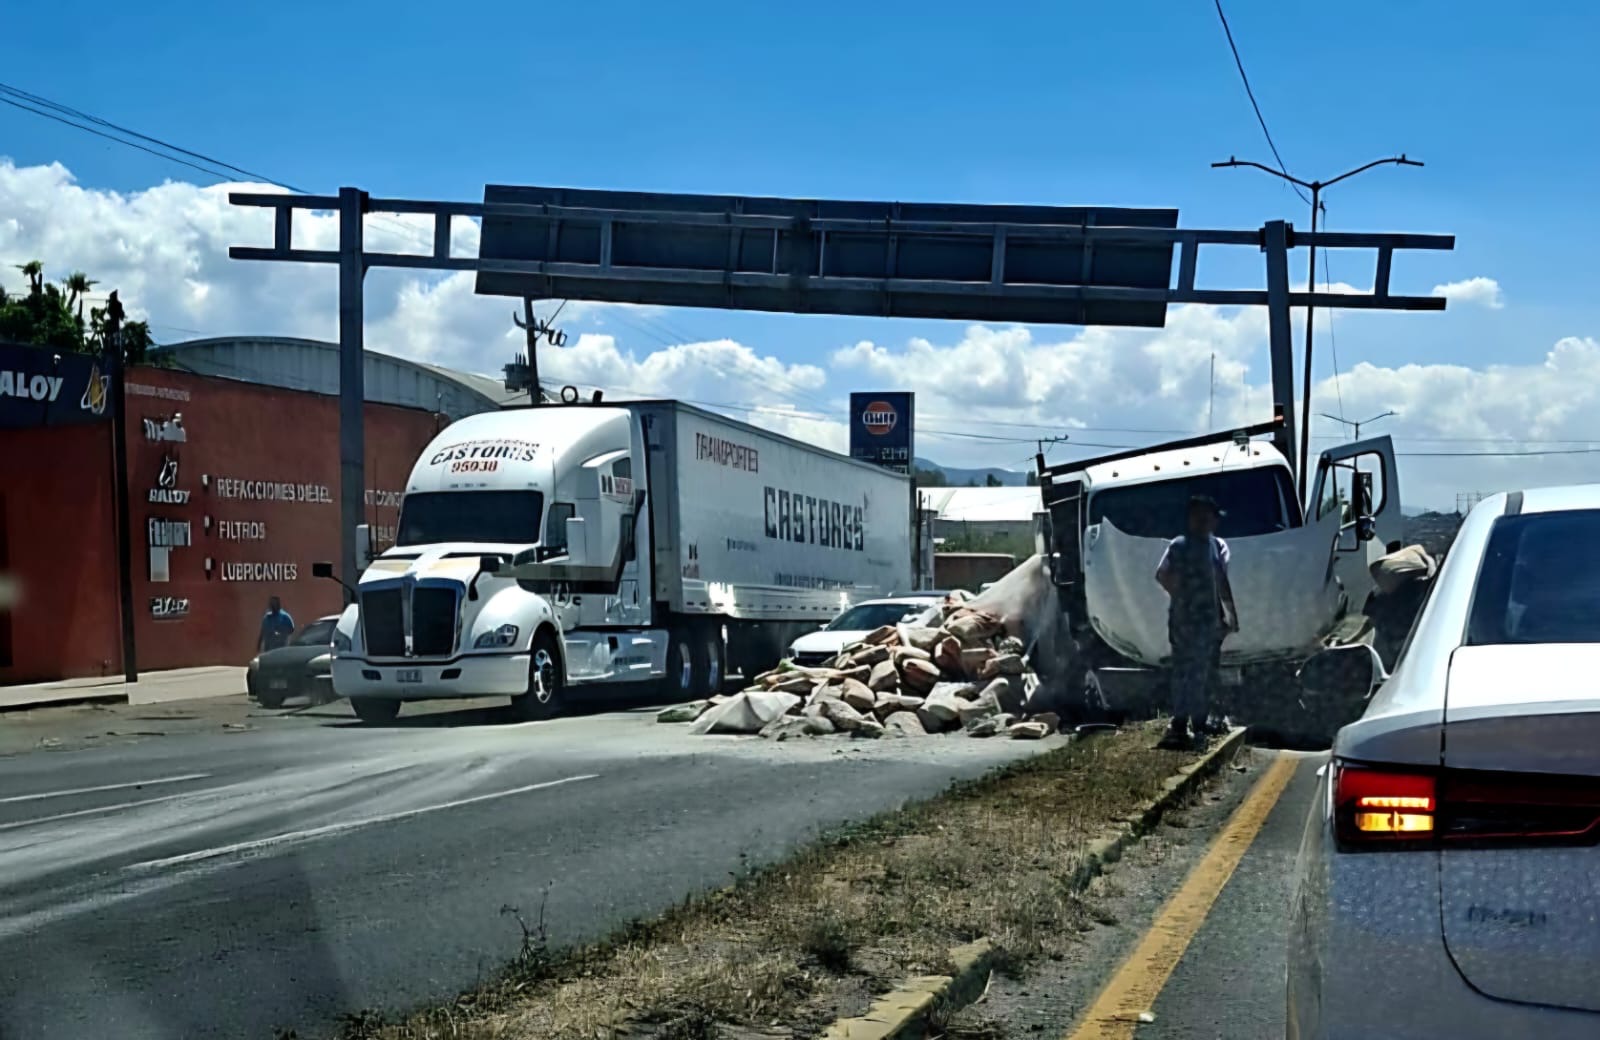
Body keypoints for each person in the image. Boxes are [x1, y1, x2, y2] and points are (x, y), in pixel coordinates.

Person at [1154, 495, 1239, 749]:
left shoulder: (1214, 546)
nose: (1206, 522)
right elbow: (1162, 575)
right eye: (1201, 517)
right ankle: (1186, 724)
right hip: (1189, 621)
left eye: (1209, 518)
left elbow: (1221, 582)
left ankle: (1195, 724)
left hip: (1205, 620)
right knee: (1190, 671)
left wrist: (1230, 614)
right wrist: (1184, 597)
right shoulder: (1179, 545)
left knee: (1199, 672)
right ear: (1192, 518)